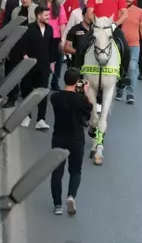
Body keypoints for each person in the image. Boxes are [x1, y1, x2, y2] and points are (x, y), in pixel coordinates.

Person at [50, 68, 93, 216]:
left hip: (59, 137)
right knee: (75, 170)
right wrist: (85, 92)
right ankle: (71, 196)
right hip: (76, 139)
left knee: (57, 172)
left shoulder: (55, 97)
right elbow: (89, 109)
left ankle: (57, 205)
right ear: (77, 82)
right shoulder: (81, 100)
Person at [85, 0, 131, 88]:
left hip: (113, 29)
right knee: (81, 45)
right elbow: (89, 13)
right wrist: (97, 25)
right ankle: (78, 74)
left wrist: (114, 24)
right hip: (96, 28)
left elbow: (125, 14)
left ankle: (123, 75)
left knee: (126, 48)